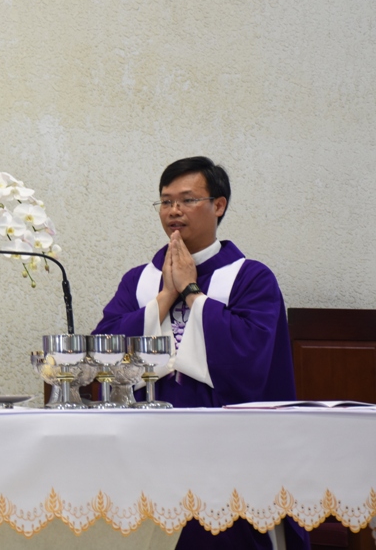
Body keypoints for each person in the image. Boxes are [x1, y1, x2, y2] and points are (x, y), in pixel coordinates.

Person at [93, 157, 307, 550]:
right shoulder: (139, 280)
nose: (174, 210)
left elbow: (249, 356)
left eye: (188, 200)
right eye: (165, 201)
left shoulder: (250, 277)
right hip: (144, 449)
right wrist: (165, 297)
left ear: (218, 205)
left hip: (227, 451)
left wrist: (193, 293)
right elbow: (103, 349)